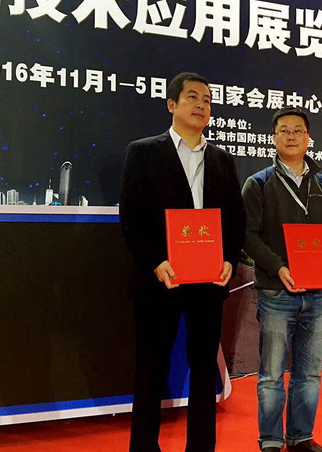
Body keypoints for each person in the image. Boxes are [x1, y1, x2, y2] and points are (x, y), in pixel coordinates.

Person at [119, 71, 245, 452]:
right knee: (151, 370)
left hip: (208, 283)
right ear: (172, 104)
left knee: (204, 371)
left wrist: (229, 259)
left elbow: (235, 219)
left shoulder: (222, 160)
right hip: (160, 280)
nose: (201, 105)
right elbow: (132, 217)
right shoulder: (144, 152)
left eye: (207, 100)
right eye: (193, 97)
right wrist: (156, 262)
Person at [242, 107, 322, 452]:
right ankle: (271, 439)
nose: (291, 136)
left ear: (308, 138)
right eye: (284, 130)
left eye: (298, 130)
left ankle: (301, 436)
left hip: (317, 294)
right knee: (272, 374)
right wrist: (278, 267)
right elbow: (248, 235)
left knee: (310, 373)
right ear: (273, 138)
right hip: (277, 292)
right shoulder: (258, 183)